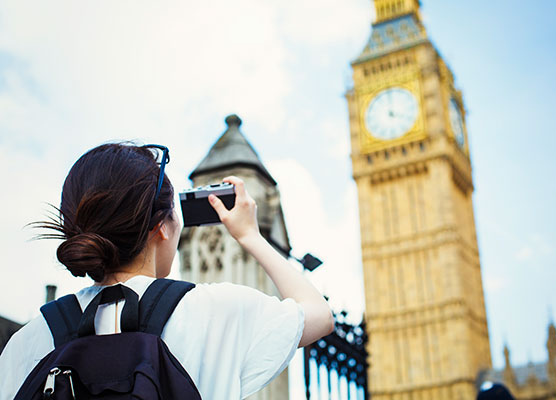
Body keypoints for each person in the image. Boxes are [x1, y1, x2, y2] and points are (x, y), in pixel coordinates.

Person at [0, 143, 334, 399]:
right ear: (161, 227)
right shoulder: (215, 311)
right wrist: (250, 235)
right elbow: (319, 314)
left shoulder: (29, 338)